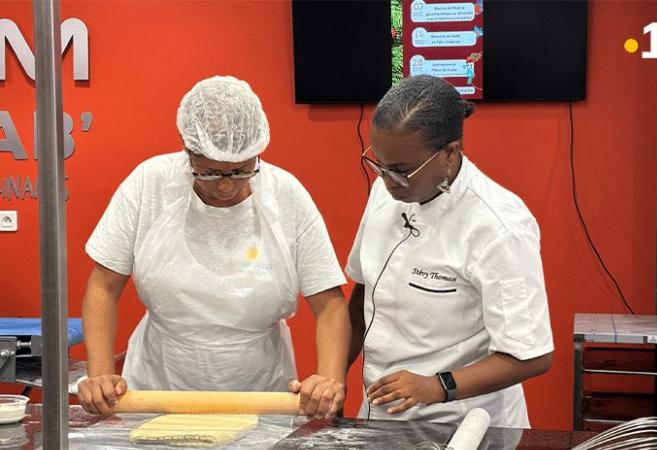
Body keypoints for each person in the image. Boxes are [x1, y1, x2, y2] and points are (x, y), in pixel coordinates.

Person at [78, 76, 350, 419]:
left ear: (258, 152)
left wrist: (328, 381)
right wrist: (101, 375)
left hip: (259, 396)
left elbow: (330, 306)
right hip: (159, 391)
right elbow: (102, 287)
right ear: (187, 150)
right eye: (207, 172)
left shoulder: (287, 196)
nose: (225, 187)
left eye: (240, 171)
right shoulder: (149, 184)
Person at [346, 75, 553, 427]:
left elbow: (531, 356)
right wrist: (333, 376)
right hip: (384, 415)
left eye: (400, 171)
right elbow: (362, 294)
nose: (386, 181)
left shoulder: (497, 225)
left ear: (449, 153)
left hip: (464, 420)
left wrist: (436, 386)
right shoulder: (388, 193)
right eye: (379, 165)